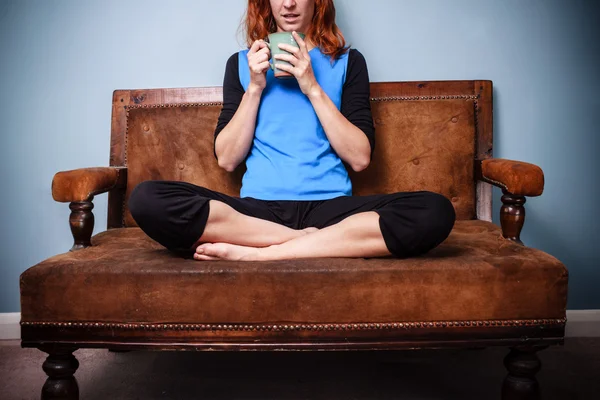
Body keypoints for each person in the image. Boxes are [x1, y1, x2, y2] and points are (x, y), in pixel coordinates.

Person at [128, 0, 456, 261]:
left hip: (332, 209)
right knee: (146, 200)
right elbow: (227, 159)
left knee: (435, 211)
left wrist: (311, 85)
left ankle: (258, 256)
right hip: (257, 214)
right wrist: (255, 87)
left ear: (318, 2)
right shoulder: (242, 63)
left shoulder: (347, 62)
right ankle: (305, 242)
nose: (288, 4)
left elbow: (360, 159)